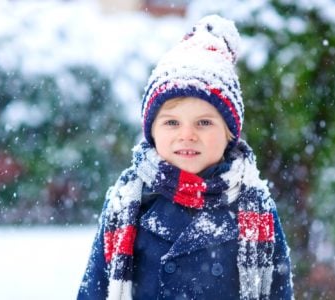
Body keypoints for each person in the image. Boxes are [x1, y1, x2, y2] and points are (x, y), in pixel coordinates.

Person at [78, 14, 293, 300]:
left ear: (230, 133)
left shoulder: (253, 205)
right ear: (152, 132)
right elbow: (95, 288)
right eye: (171, 123)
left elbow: (277, 291)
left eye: (204, 123)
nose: (187, 135)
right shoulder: (130, 200)